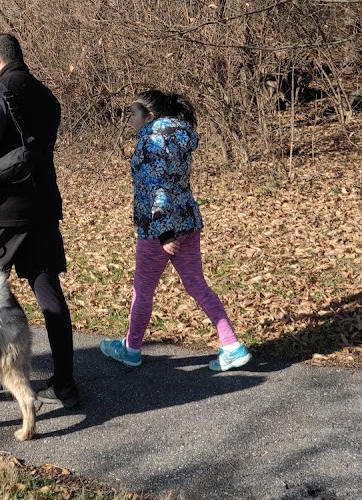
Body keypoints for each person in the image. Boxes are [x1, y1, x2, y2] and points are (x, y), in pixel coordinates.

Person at [0, 33, 80, 406]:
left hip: (3, 215)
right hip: (42, 209)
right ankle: (65, 383)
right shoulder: (47, 97)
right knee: (49, 293)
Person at [100, 89, 251, 372]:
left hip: (159, 230)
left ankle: (131, 349)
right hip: (188, 223)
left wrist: (163, 233)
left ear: (150, 116)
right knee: (197, 285)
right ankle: (232, 346)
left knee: (142, 290)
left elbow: (157, 189)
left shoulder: (151, 143)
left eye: (133, 113)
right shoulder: (180, 137)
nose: (130, 119)